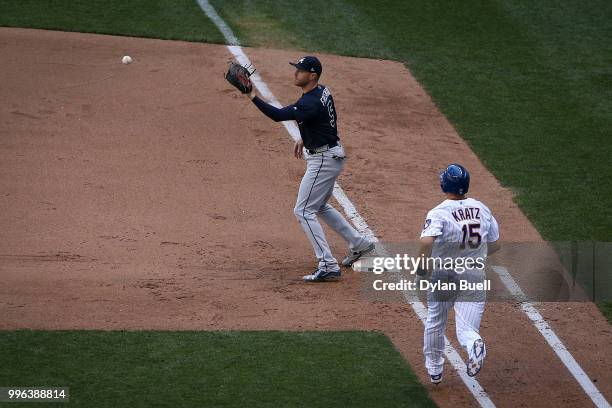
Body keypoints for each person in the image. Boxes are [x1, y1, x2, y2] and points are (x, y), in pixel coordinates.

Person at [245, 56, 374, 282]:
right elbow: (324, 120)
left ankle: (327, 264)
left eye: (301, 70)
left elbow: (277, 116)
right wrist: (306, 137)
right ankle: (360, 244)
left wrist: (251, 93)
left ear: (312, 76)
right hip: (330, 152)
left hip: (323, 160)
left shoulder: (309, 103)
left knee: (303, 210)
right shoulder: (322, 91)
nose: (296, 73)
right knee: (320, 206)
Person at [417, 164, 500, 384]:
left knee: (436, 320)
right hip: (474, 275)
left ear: (445, 184)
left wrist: (422, 266)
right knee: (466, 329)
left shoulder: (439, 212)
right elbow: (494, 244)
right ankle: (474, 345)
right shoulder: (482, 208)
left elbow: (426, 241)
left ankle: (434, 369)